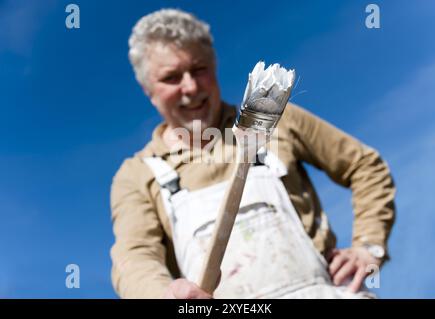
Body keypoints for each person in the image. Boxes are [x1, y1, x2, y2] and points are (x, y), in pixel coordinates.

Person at [110, 8, 396, 299]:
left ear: (214, 65)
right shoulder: (138, 174)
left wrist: (368, 246)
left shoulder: (279, 121)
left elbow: (365, 165)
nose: (191, 87)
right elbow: (134, 258)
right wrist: (162, 295)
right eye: (171, 77)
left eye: (198, 69)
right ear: (148, 90)